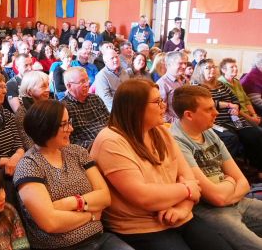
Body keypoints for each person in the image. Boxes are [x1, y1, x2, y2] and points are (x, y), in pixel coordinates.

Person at [90, 79, 233, 250]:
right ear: (136, 107)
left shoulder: (161, 131)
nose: (164, 106)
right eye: (157, 102)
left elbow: (189, 177)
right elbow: (143, 196)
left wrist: (182, 208)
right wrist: (186, 190)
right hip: (139, 226)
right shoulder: (110, 141)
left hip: (179, 215)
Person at [13, 100, 133, 250]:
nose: (71, 128)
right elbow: (51, 223)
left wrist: (71, 203)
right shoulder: (29, 165)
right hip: (62, 246)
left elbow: (105, 197)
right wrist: (91, 216)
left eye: (69, 122)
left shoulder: (77, 152)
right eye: (64, 124)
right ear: (46, 128)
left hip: (99, 238)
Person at [171, 85, 262, 250]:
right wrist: (231, 183)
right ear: (189, 115)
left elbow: (244, 182)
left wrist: (229, 190)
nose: (216, 113)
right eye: (209, 109)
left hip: (236, 200)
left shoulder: (208, 131)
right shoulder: (176, 141)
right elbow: (215, 198)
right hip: (210, 211)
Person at [192, 59, 262, 175]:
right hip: (216, 121)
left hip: (234, 120)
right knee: (231, 138)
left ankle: (256, 167)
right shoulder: (198, 86)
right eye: (208, 68)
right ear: (200, 71)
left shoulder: (221, 84)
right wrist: (227, 104)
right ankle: (229, 171)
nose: (212, 69)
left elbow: (235, 99)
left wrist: (236, 107)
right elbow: (205, 103)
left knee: (255, 134)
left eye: (213, 67)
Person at [63, 67, 109, 149]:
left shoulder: (95, 98)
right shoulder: (64, 108)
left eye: (87, 80)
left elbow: (110, 121)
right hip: (92, 149)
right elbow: (69, 140)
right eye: (82, 81)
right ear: (69, 86)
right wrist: (97, 145)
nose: (87, 84)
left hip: (111, 139)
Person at [219, 57, 261, 126]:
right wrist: (251, 119)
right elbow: (232, 107)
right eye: (232, 67)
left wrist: (254, 115)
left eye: (236, 66)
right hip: (236, 117)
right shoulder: (220, 83)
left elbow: (246, 100)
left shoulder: (236, 81)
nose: (235, 69)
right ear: (224, 70)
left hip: (248, 115)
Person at [15, 70, 50, 150]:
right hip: (38, 153)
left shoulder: (51, 105)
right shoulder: (22, 113)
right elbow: (28, 143)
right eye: (43, 86)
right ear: (30, 91)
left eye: (48, 85)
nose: (48, 89)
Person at [94, 48, 130, 112]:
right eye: (112, 58)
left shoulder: (124, 72)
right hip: (113, 110)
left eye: (116, 57)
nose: (115, 60)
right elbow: (106, 100)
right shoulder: (101, 76)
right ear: (105, 62)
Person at [157, 51, 188, 123]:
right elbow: (161, 113)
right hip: (174, 127)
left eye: (185, 63)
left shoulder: (184, 79)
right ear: (169, 65)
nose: (184, 66)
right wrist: (180, 123)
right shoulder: (162, 84)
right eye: (180, 63)